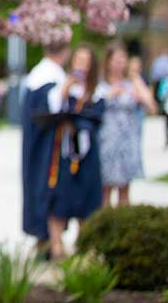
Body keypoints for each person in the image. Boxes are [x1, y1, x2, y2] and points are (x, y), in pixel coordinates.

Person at [43, 45, 104, 260]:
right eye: (78, 60)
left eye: (86, 62)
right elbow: (51, 109)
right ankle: (57, 246)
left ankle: (84, 246)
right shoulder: (63, 86)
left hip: (87, 154)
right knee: (60, 197)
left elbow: (97, 119)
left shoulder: (97, 92)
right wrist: (65, 89)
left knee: (87, 200)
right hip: (65, 153)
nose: (81, 66)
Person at [21, 39, 71, 256]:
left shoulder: (36, 74)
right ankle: (47, 237)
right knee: (47, 185)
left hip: (35, 144)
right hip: (48, 145)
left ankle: (43, 236)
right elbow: (53, 109)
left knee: (36, 184)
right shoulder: (53, 77)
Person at [99, 42, 158, 207]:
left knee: (125, 189)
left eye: (122, 59)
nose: (119, 63)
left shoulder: (132, 84)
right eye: (116, 59)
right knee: (106, 188)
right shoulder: (101, 84)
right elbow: (93, 107)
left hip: (128, 141)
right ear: (108, 61)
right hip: (108, 141)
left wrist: (135, 79)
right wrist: (110, 95)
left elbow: (152, 106)